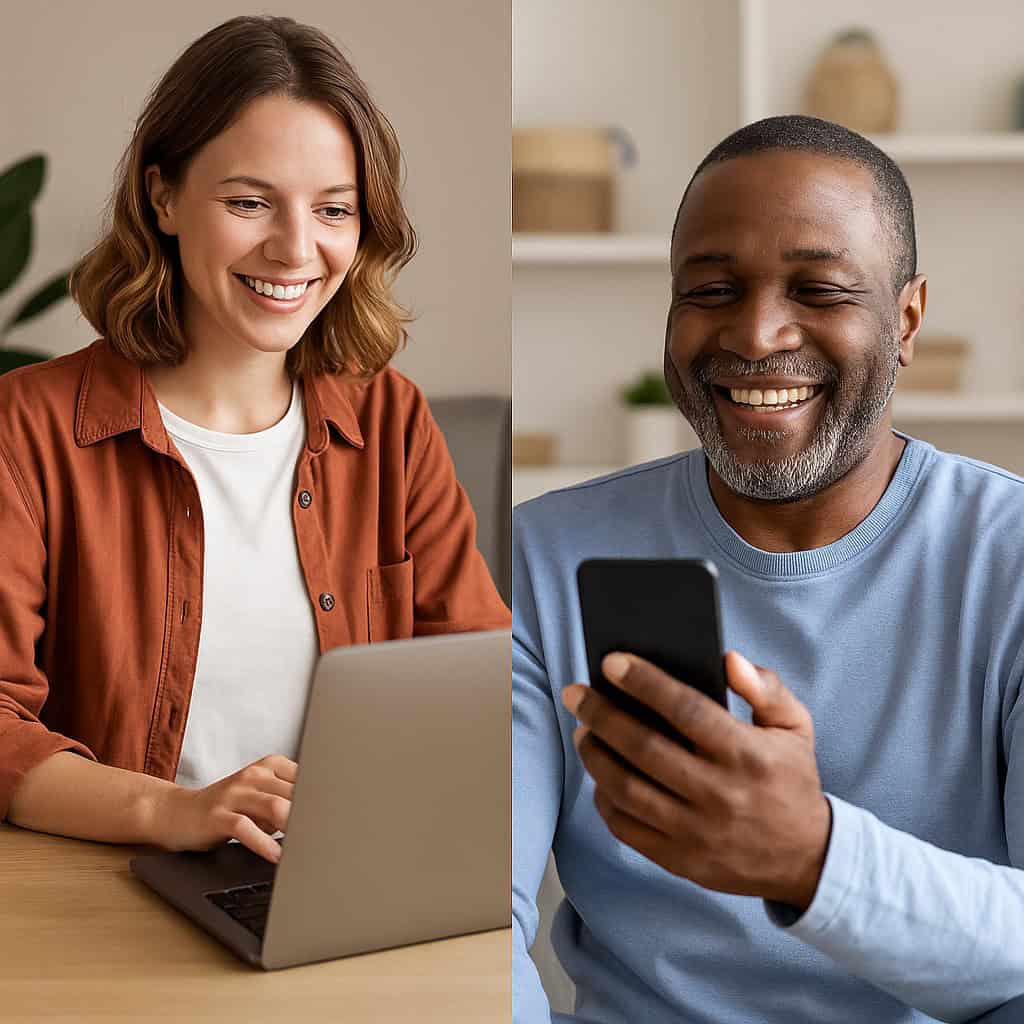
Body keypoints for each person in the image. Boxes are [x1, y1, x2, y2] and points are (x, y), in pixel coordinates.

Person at [513, 115, 1024, 1023]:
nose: (754, 334)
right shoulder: (541, 559)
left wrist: (812, 858)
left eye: (820, 290)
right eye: (711, 288)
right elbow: (482, 920)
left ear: (905, 318)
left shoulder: (1010, 557)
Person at [0, 15, 509, 866]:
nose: (296, 249)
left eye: (334, 209)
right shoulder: (29, 426)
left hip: (342, 879)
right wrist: (175, 810)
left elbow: (483, 684)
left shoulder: (391, 421)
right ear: (162, 197)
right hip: (104, 896)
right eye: (248, 202)